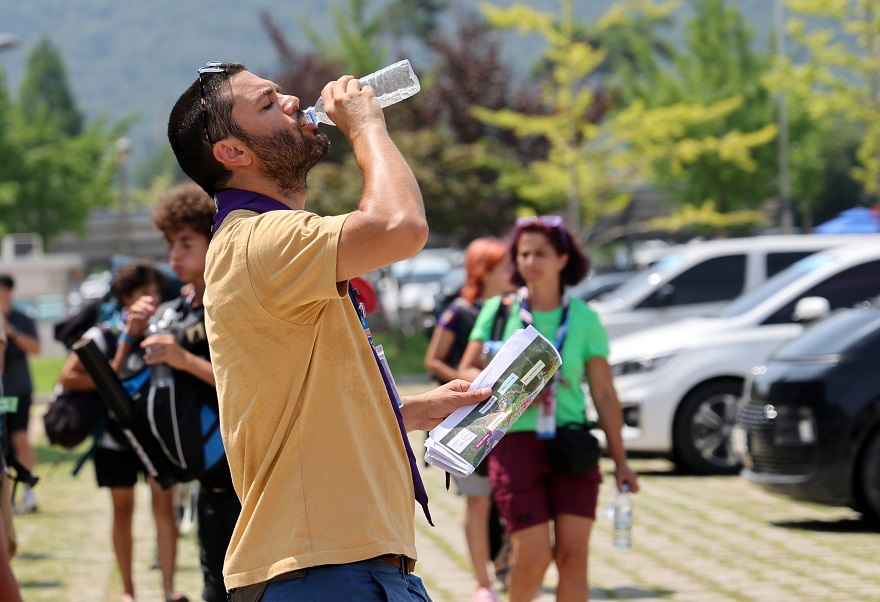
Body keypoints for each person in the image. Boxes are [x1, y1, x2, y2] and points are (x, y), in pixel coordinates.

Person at [167, 61, 494, 600]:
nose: (293, 101)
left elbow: (297, 406)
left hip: (342, 568)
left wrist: (412, 411)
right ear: (232, 152)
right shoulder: (260, 240)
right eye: (268, 104)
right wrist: (367, 125)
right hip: (326, 572)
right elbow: (400, 226)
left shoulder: (261, 242)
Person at [458, 216, 640, 602]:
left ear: (562, 259)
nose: (530, 262)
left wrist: (622, 461)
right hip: (514, 444)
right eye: (523, 254)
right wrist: (515, 389)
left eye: (541, 253)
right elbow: (466, 370)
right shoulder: (500, 310)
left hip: (572, 445)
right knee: (534, 557)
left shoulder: (585, 318)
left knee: (574, 558)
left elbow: (605, 395)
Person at [58, 262, 188, 602]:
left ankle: (169, 588)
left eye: (157, 293)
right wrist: (128, 338)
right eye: (145, 293)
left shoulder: (165, 328)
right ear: (126, 297)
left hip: (155, 433)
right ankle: (128, 591)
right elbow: (70, 377)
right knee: (123, 510)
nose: (153, 299)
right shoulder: (103, 333)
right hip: (113, 435)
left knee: (164, 506)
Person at [147, 181, 241, 602]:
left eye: (186, 243)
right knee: (213, 587)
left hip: (246, 478)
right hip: (207, 478)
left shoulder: (234, 302)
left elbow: (248, 382)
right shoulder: (180, 310)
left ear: (214, 238)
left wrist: (184, 360)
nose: (175, 255)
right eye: (171, 244)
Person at [423, 238, 511, 602]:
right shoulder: (458, 312)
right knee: (479, 501)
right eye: (506, 265)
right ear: (485, 271)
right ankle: (483, 583)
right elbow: (433, 360)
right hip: (469, 420)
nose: (515, 272)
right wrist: (468, 387)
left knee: (511, 501)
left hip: (505, 420)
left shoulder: (512, 309)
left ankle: (507, 567)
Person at [0, 275, 41, 514]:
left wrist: (11, 332)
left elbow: (36, 348)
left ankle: (27, 489)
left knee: (20, 438)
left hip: (18, 390)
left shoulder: (21, 319)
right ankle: (8, 498)